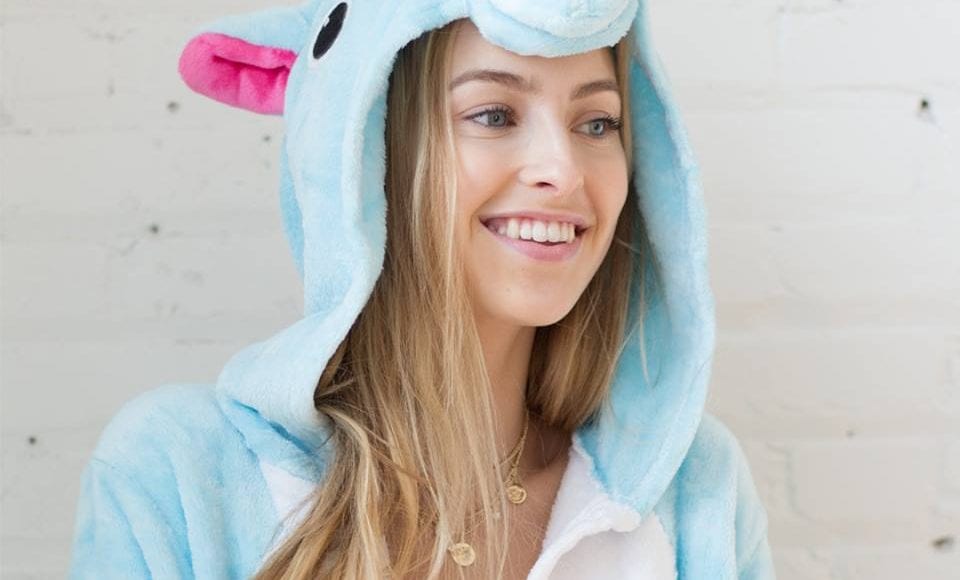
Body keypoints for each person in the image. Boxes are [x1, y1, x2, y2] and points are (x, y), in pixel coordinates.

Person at [67, 1, 776, 579]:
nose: (563, 170)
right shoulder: (179, 476)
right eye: (494, 114)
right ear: (371, 152)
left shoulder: (692, 490)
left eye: (597, 123)